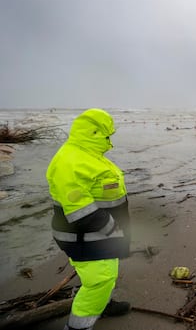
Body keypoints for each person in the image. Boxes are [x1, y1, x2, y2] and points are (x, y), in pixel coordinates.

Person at [46, 108, 132, 330]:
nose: (109, 139)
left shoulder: (88, 155)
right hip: (85, 236)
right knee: (100, 279)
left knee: (105, 272)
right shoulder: (70, 161)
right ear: (94, 133)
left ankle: (103, 304)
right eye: (106, 134)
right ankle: (78, 326)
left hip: (99, 234)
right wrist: (112, 228)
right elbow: (80, 210)